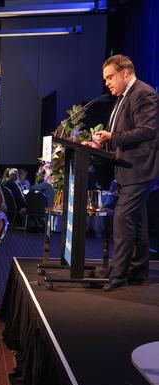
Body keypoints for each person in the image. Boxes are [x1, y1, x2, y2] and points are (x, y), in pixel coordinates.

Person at [88, 55, 159, 290]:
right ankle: (138, 272)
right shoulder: (122, 97)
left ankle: (117, 276)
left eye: (110, 77)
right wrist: (102, 143)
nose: (107, 83)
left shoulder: (143, 92)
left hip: (139, 169)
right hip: (127, 170)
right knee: (137, 224)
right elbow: (121, 133)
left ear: (125, 73)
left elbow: (147, 130)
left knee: (122, 220)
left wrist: (112, 137)